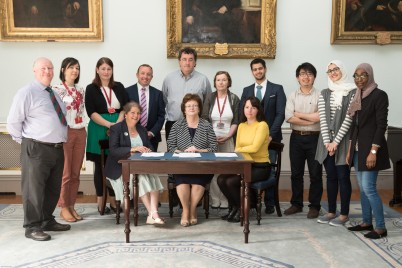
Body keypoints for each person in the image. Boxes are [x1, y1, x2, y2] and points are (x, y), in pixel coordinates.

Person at [7, 57, 70, 241]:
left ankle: (46, 220)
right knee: (33, 189)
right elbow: (13, 122)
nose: (47, 71)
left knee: (52, 187)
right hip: (36, 148)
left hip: (57, 148)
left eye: (50, 68)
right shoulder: (26, 92)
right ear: (34, 70)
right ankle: (32, 226)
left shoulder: (54, 93)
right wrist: (27, 142)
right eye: (43, 68)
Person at [162, 47, 212, 206]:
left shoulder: (203, 79)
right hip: (173, 124)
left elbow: (207, 103)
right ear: (179, 61)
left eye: (190, 59)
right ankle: (179, 196)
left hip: (198, 125)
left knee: (195, 159)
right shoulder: (168, 78)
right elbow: (164, 100)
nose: (187, 62)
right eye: (184, 59)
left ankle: (195, 198)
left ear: (195, 62)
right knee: (175, 159)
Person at [346, 63, 390, 239]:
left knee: (369, 188)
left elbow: (381, 126)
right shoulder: (358, 96)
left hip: (371, 149)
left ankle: (380, 227)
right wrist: (350, 150)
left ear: (370, 76)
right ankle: (366, 222)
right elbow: (354, 127)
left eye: (363, 75)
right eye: (356, 76)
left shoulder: (379, 95)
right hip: (357, 149)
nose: (359, 79)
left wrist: (373, 151)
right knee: (363, 189)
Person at [105, 102, 165, 225]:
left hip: (140, 166)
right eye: (132, 112)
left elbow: (150, 147)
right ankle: (153, 214)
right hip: (120, 168)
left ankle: (152, 214)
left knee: (153, 176)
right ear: (125, 114)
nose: (136, 115)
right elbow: (114, 150)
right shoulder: (116, 129)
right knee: (140, 179)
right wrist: (132, 149)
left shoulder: (142, 129)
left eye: (138, 113)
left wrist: (148, 150)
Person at [240, 58, 286, 215]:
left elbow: (280, 114)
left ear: (265, 69)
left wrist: (270, 135)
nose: (258, 71)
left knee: (269, 170)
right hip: (251, 139)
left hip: (271, 139)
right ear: (252, 71)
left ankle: (270, 203)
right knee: (250, 168)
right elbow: (243, 113)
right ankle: (251, 202)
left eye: (260, 68)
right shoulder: (246, 90)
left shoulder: (277, 89)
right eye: (255, 69)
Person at [85, 57, 129, 214]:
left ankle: (113, 199)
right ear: (97, 70)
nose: (106, 72)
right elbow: (91, 112)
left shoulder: (119, 87)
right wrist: (108, 124)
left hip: (118, 125)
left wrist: (117, 123)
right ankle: (100, 199)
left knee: (115, 164)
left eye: (109, 69)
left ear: (112, 70)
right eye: (103, 68)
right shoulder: (91, 88)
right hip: (99, 127)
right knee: (100, 166)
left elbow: (125, 107)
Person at [217, 96, 271, 223]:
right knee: (221, 179)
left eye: (253, 107)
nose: (250, 110)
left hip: (260, 166)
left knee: (231, 182)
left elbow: (255, 148)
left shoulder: (262, 125)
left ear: (258, 110)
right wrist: (239, 150)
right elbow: (239, 147)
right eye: (247, 107)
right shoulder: (241, 125)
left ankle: (242, 208)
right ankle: (235, 207)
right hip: (245, 164)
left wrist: (239, 150)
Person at [167, 93, 217, 227]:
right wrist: (182, 152)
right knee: (182, 181)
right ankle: (186, 211)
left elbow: (213, 147)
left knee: (197, 182)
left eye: (195, 105)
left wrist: (199, 150)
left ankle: (193, 209)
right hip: (181, 165)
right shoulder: (177, 126)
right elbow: (170, 147)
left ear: (199, 109)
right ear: (184, 109)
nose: (192, 108)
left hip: (202, 166)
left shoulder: (206, 125)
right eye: (189, 106)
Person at [316, 60, 356, 227]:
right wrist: (327, 143)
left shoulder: (353, 92)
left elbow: (349, 118)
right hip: (326, 143)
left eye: (336, 69)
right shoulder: (325, 92)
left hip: (344, 142)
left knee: (343, 177)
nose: (333, 73)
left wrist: (336, 143)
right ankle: (332, 211)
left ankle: (344, 214)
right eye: (329, 70)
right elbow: (323, 120)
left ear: (343, 70)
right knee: (330, 178)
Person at [283, 63, 323, 219]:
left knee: (315, 174)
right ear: (297, 77)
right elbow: (289, 117)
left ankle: (315, 206)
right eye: (302, 74)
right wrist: (310, 120)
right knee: (296, 173)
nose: (306, 77)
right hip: (296, 138)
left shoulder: (320, 95)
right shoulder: (292, 95)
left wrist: (299, 114)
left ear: (314, 77)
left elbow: (320, 117)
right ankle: (296, 204)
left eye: (309, 74)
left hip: (315, 138)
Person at [52, 57, 86, 222]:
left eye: (77, 68)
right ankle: (63, 206)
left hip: (81, 132)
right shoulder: (56, 89)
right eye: (71, 67)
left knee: (75, 172)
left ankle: (71, 205)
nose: (75, 71)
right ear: (63, 69)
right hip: (66, 132)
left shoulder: (81, 89)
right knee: (65, 173)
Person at [202, 71, 239, 209]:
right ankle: (215, 199)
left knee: (227, 169)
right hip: (211, 140)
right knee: (213, 169)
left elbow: (236, 120)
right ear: (215, 82)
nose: (221, 82)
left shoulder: (234, 98)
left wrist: (229, 135)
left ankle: (226, 199)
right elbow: (205, 118)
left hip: (229, 138)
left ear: (228, 82)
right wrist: (212, 136)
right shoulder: (210, 98)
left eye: (224, 80)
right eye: (218, 80)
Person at [126, 64, 166, 151]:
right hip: (132, 136)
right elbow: (125, 114)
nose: (145, 76)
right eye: (142, 73)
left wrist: (152, 132)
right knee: (132, 163)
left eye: (148, 74)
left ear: (152, 77)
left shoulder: (158, 94)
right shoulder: (127, 92)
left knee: (151, 163)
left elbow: (161, 116)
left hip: (152, 138)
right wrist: (133, 132)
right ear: (137, 75)